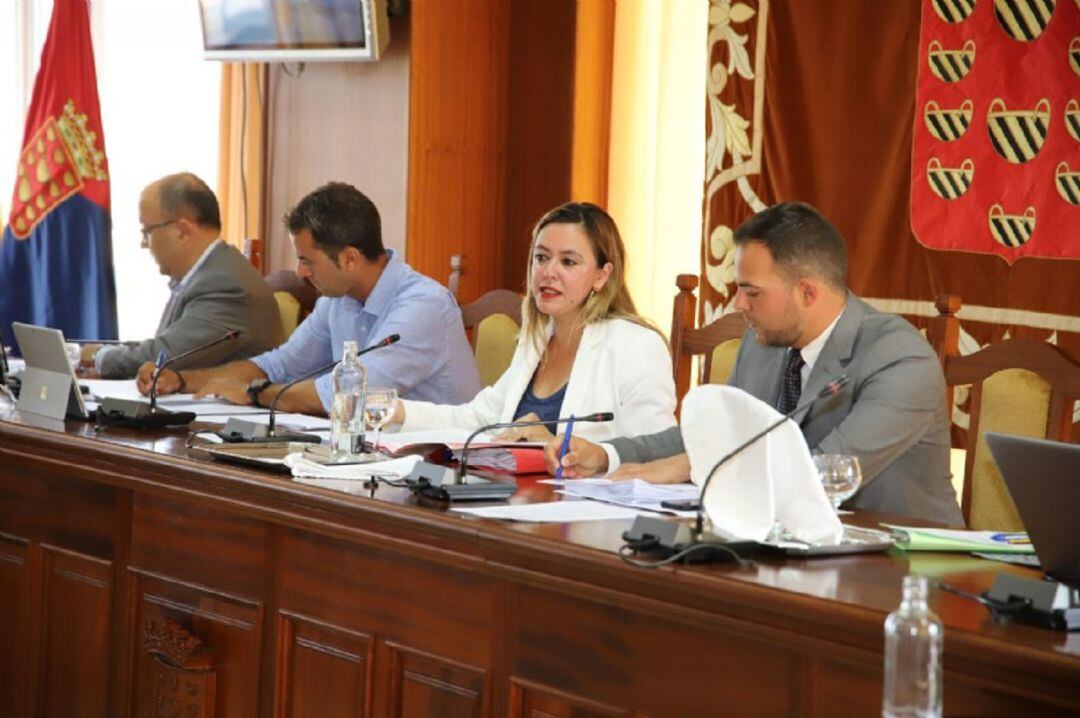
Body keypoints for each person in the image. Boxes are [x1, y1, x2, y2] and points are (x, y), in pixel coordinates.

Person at [548, 202, 963, 525]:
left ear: (808, 293)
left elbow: (824, 474)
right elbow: (708, 434)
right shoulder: (764, 343)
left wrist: (697, 465)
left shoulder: (899, 359)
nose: (738, 305)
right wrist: (606, 455)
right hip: (795, 550)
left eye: (752, 292)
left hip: (904, 569)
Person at [138, 181, 480, 414]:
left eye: (307, 260)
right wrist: (185, 380)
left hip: (439, 470)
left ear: (349, 258)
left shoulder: (423, 306)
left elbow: (347, 396)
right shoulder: (338, 300)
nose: (301, 272)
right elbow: (279, 364)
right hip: (371, 459)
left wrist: (255, 393)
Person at [389, 202, 677, 443]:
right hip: (518, 501)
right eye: (541, 257)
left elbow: (657, 451)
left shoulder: (636, 346)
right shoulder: (538, 339)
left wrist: (554, 445)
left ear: (602, 275)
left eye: (568, 262)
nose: (548, 272)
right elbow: (477, 418)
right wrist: (393, 409)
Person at [79, 173, 282, 378]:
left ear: (182, 230)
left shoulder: (225, 284)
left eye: (146, 230)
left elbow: (165, 356)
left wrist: (98, 356)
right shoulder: (203, 274)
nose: (143, 243)